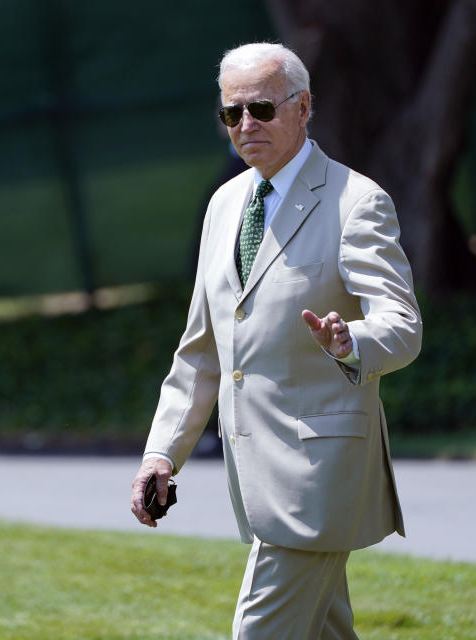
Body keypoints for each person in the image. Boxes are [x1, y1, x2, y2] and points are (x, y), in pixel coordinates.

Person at [130, 42, 422, 639]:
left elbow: (402, 325)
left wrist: (351, 342)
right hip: (257, 479)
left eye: (260, 109)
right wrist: (162, 453)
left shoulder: (356, 202)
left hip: (319, 475)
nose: (245, 126)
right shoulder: (224, 204)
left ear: (303, 106)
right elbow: (202, 353)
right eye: (230, 114)